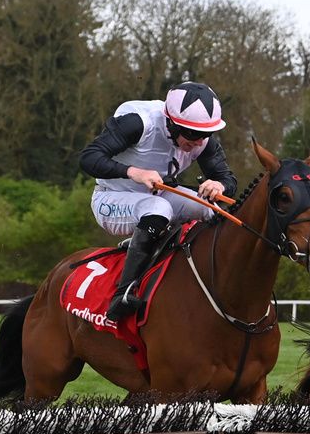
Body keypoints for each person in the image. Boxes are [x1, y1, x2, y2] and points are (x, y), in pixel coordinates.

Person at [81, 82, 238, 323]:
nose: (199, 142)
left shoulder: (202, 140)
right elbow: (89, 158)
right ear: (172, 123)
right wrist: (134, 172)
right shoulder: (138, 123)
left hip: (156, 196)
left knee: (211, 209)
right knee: (159, 209)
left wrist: (219, 185)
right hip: (110, 197)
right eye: (192, 134)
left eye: (205, 134)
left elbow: (228, 179)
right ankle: (123, 294)